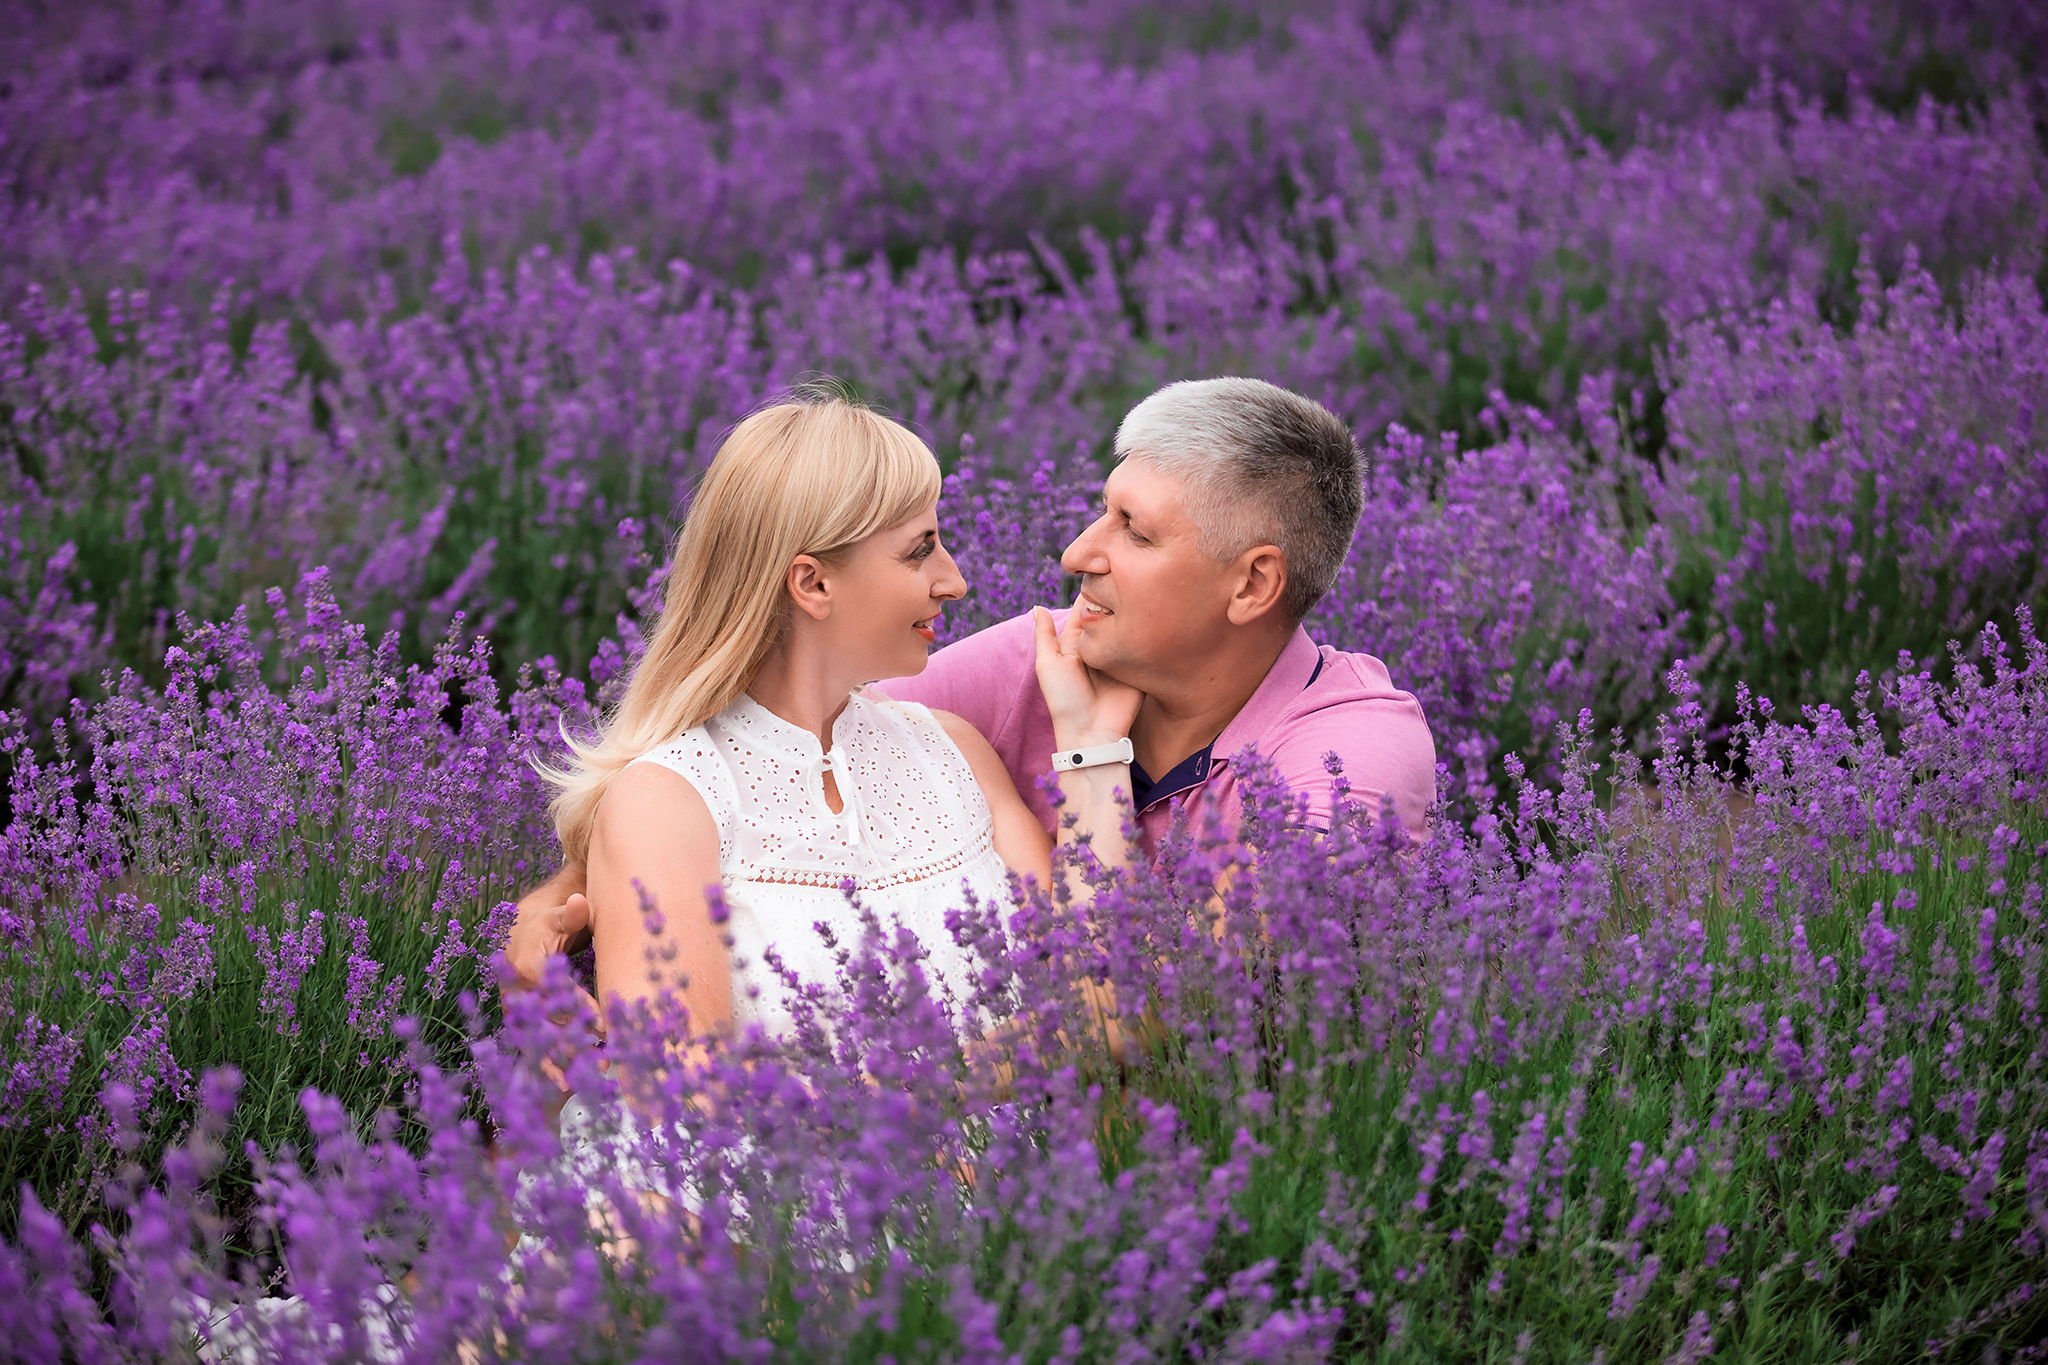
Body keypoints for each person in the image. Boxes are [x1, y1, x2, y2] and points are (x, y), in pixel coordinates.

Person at [506, 376, 1435, 1007]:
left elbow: (1165, 1006)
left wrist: (904, 1108)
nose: (1076, 552)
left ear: (1253, 583)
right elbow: (761, 755)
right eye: (1102, 507)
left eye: (1134, 531)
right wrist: (567, 899)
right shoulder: (1035, 662)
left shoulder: (1349, 759)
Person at [538, 387, 1138, 1053]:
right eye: (920, 550)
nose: (955, 581)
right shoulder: (667, 799)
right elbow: (682, 1090)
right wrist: (945, 1107)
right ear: (813, 584)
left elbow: (1102, 990)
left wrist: (1092, 746)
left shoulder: (953, 753)